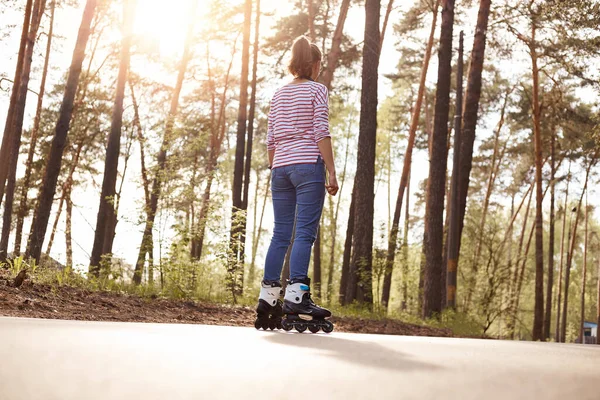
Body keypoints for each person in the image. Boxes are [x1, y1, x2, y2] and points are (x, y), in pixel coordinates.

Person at [254, 36, 338, 333]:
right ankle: (297, 295)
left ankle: (269, 297)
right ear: (314, 64)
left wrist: (276, 168)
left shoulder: (278, 94)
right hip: (307, 167)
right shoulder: (317, 89)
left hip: (280, 168)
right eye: (319, 65)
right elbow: (320, 131)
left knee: (280, 234)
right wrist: (331, 170)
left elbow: (271, 140)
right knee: (304, 233)